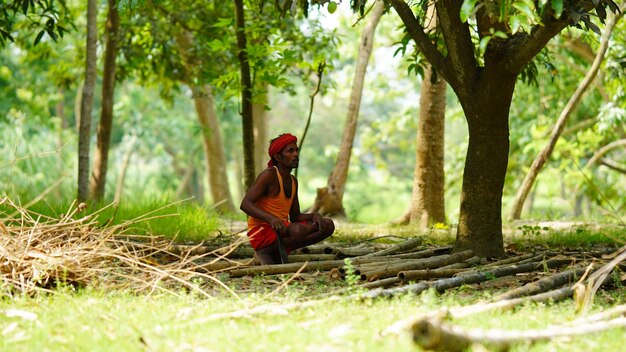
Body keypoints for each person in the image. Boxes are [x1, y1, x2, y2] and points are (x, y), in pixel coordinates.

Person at [240, 133, 335, 265]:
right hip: (261, 232)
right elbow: (245, 204)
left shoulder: (293, 181)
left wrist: (313, 215)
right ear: (278, 157)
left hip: (281, 230)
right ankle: (265, 252)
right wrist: (271, 218)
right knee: (297, 230)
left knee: (327, 225)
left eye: (296, 150)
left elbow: (295, 216)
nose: (296, 154)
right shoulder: (269, 175)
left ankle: (279, 250)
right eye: (290, 151)